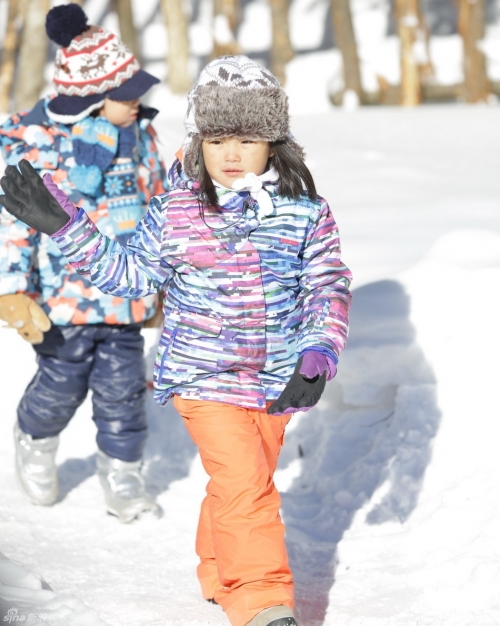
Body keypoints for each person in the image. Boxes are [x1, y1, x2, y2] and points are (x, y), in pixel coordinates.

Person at [0, 55, 352, 626]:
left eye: (245, 138)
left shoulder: (305, 212)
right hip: (202, 376)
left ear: (274, 141)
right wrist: (66, 226)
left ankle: (218, 570)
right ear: (198, 144)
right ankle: (262, 601)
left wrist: (318, 350)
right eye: (216, 140)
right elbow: (130, 276)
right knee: (246, 485)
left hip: (278, 379)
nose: (230, 154)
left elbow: (326, 283)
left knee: (244, 480)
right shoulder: (176, 211)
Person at [0, 3, 168, 523]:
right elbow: (14, 223)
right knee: (61, 384)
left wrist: (165, 281)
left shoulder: (139, 139)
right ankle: (35, 436)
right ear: (94, 100)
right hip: (60, 302)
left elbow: (160, 206)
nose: (138, 104)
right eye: (127, 97)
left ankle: (123, 473)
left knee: (122, 392)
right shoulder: (41, 147)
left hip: (122, 299)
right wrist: (12, 287)